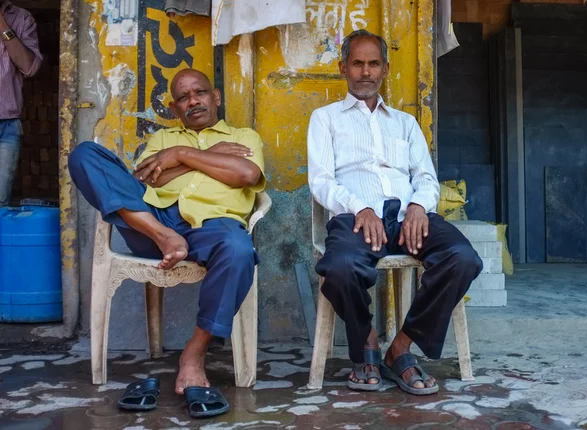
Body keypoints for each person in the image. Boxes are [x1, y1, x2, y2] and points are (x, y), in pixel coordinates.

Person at [68, 69, 266, 413]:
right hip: (155, 224)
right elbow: (145, 183)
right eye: (184, 98)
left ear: (215, 96)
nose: (193, 101)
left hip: (214, 226)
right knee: (85, 154)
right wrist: (209, 158)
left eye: (200, 93)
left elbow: (245, 174)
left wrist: (182, 156)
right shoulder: (162, 139)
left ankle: (194, 353)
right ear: (175, 107)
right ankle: (166, 237)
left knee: (238, 250)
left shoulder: (243, 135)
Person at [307, 30, 483, 395]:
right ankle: (367, 342)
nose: (365, 72)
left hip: (408, 218)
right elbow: (321, 182)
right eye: (357, 63)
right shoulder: (325, 119)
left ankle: (400, 348)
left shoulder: (405, 123)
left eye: (373, 64)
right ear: (343, 68)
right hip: (355, 219)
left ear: (385, 69)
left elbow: (426, 178)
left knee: (463, 258)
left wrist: (419, 206)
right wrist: (362, 208)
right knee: (338, 270)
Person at [0, 0, 42, 206]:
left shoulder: (22, 18)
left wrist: (2, 24)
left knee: (0, 203)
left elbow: (29, 67)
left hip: (7, 125)